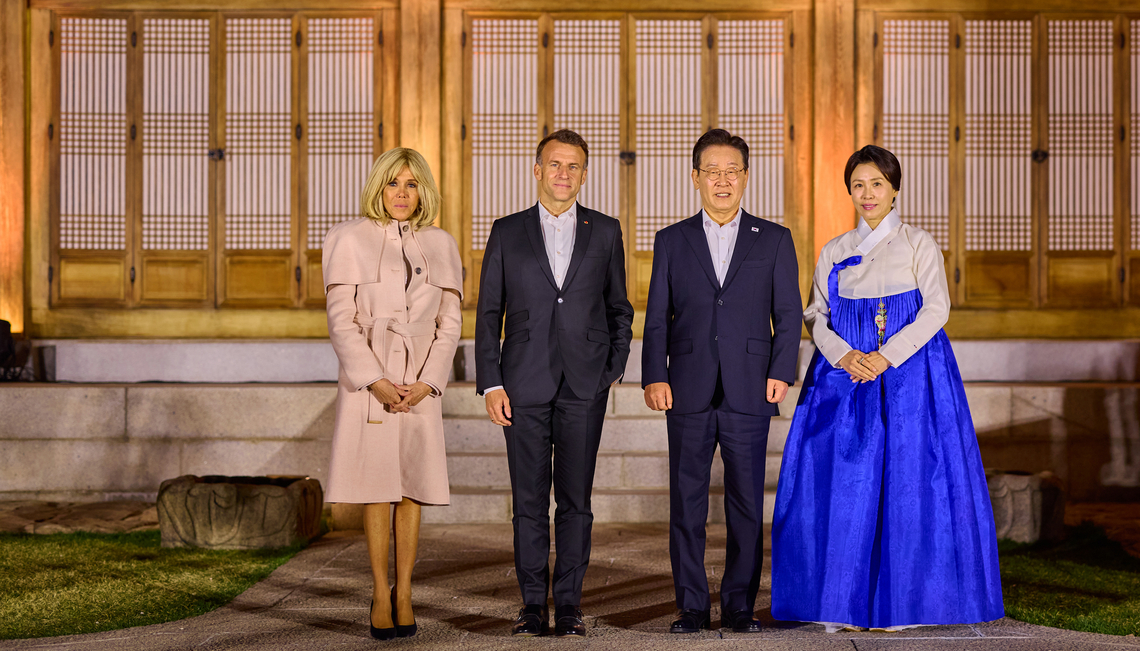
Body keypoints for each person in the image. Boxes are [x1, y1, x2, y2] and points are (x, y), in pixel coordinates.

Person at [771, 145, 1003, 632]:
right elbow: (816, 314)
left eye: (877, 183)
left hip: (911, 379)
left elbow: (936, 310)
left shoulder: (919, 244)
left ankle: (906, 603)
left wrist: (887, 355)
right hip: (845, 381)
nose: (867, 193)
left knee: (910, 483)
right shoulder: (835, 250)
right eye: (858, 185)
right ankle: (840, 602)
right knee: (844, 486)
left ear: (895, 188)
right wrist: (843, 355)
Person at [642, 128, 803, 635]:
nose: (722, 180)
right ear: (695, 178)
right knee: (686, 505)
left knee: (746, 506)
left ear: (747, 177)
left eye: (732, 171)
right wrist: (653, 375)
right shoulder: (671, 240)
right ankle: (690, 607)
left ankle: (738, 607)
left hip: (750, 387)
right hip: (686, 387)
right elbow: (656, 318)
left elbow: (789, 311)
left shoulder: (774, 239)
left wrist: (781, 369)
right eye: (711, 171)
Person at [475, 129, 634, 639]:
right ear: (537, 169)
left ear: (584, 174)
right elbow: (487, 315)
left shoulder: (606, 231)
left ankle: (568, 605)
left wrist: (610, 370)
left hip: (585, 386)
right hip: (521, 385)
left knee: (576, 502)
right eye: (555, 164)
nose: (564, 173)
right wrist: (490, 384)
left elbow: (619, 310)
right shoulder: (506, 231)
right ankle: (530, 607)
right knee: (527, 502)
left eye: (574, 166)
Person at [323, 147, 464, 641]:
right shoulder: (347, 238)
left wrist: (427, 383)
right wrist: (375, 380)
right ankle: (380, 593)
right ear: (378, 187)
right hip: (370, 380)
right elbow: (342, 323)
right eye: (393, 183)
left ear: (424, 190)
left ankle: (405, 591)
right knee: (376, 488)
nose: (402, 194)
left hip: (420, 381)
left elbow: (450, 326)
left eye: (411, 184)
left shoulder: (442, 243)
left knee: (411, 489)